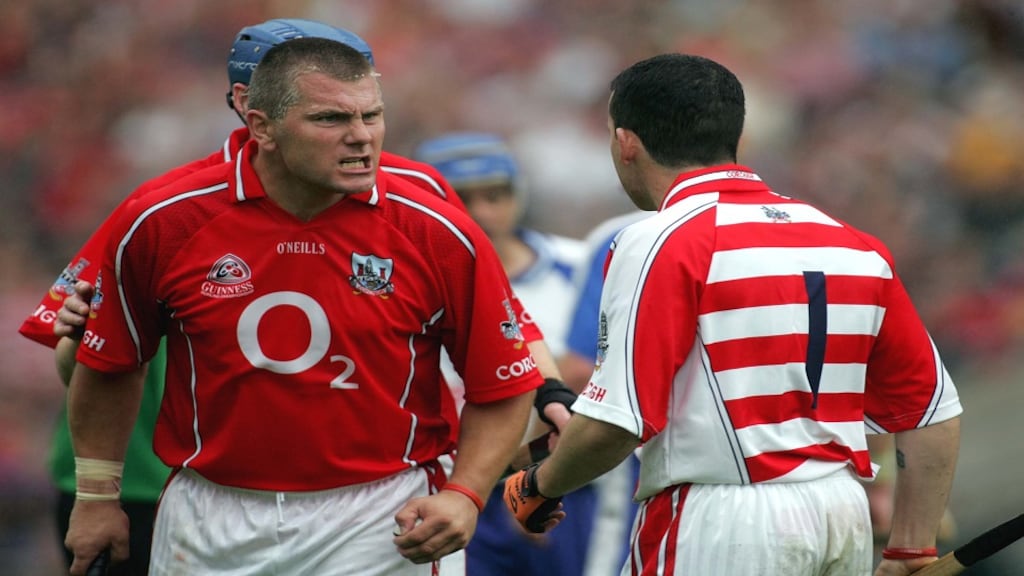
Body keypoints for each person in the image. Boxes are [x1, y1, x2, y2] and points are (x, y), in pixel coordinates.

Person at [62, 38, 542, 576]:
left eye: (372, 115)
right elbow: (108, 365)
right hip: (208, 516)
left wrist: (465, 494)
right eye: (331, 118)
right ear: (261, 126)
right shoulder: (162, 221)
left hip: (384, 517)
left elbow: (503, 385)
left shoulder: (437, 230)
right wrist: (96, 497)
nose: (361, 136)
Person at [503, 53, 963, 576]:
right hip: (843, 513)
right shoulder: (851, 243)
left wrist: (538, 485)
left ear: (626, 142)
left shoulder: (657, 240)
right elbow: (931, 413)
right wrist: (910, 548)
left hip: (722, 519)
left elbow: (618, 422)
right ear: (733, 137)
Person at [17, 19, 380, 576]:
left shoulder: (401, 199)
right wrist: (97, 491)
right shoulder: (163, 210)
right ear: (248, 103)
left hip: (319, 505)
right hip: (145, 486)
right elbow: (79, 359)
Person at [415, 132, 592, 576]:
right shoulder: (405, 277)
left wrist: (542, 480)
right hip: (449, 486)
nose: (482, 214)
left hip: (565, 485)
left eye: (496, 196)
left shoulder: (580, 267)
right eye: (463, 199)